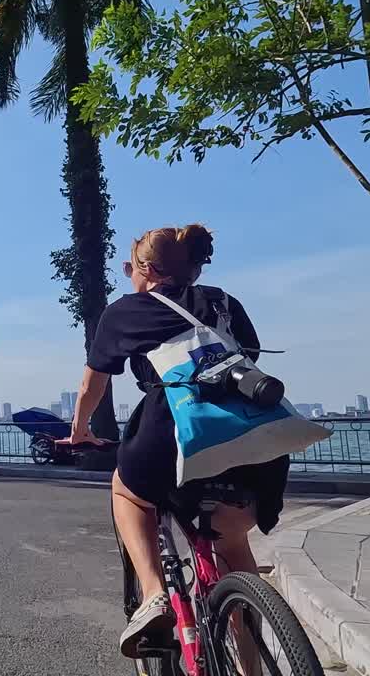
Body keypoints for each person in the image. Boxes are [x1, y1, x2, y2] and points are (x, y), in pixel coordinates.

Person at [59, 224, 289, 658]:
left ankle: (153, 595)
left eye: (128, 266)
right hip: (256, 439)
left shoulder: (128, 309)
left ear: (145, 269)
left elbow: (94, 382)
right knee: (232, 542)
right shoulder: (223, 301)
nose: (127, 274)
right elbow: (249, 355)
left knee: (125, 490)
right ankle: (250, 662)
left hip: (174, 433)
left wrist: (79, 429)